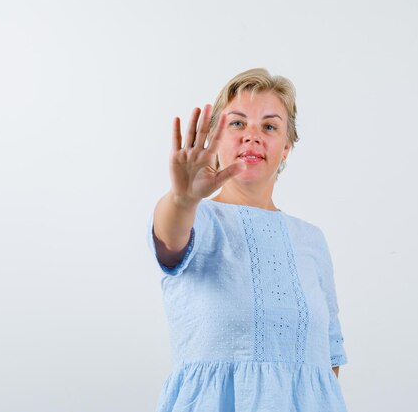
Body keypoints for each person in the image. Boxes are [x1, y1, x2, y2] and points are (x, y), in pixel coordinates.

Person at [146, 68, 349, 412]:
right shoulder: (196, 217)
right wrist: (182, 199)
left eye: (269, 126)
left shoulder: (311, 240)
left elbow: (328, 365)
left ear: (286, 147)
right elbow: (170, 237)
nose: (252, 136)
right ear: (214, 140)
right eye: (237, 124)